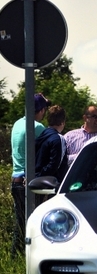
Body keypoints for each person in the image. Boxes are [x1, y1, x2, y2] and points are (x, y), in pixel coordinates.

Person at [10, 93, 50, 257]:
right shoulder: (37, 127)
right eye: (45, 108)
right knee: (33, 223)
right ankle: (27, 258)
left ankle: (15, 257)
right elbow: (49, 149)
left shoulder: (17, 124)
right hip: (29, 180)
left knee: (20, 222)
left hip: (15, 179)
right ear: (40, 110)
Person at [35, 105, 68, 182]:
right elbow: (54, 165)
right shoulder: (58, 139)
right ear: (62, 122)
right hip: (49, 185)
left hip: (34, 181)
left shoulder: (41, 136)